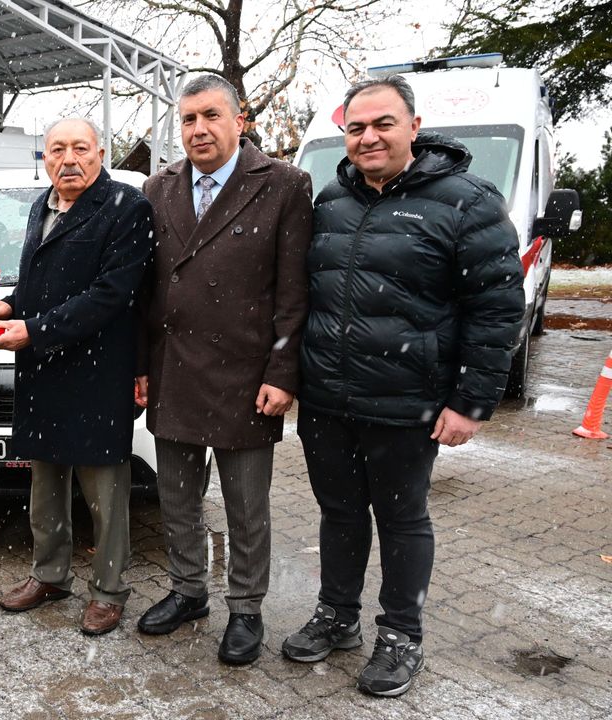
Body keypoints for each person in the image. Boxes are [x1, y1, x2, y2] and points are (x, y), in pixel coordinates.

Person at [284, 74, 524, 696]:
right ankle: (338, 615)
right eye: (357, 127)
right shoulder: (330, 200)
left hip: (407, 400)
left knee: (402, 520)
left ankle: (400, 634)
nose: (368, 137)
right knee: (339, 513)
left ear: (414, 128)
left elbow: (497, 309)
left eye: (383, 124)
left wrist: (472, 402)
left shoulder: (467, 202)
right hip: (327, 399)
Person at [135, 75, 312, 664]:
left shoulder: (283, 184)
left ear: (241, 120)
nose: (199, 129)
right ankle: (188, 591)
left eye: (211, 115)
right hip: (173, 369)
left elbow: (294, 291)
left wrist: (283, 372)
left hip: (246, 376)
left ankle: (246, 608)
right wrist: (141, 364)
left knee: (245, 507)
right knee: (177, 498)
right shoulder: (158, 187)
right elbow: (146, 288)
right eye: (188, 119)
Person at [0, 118, 154, 636]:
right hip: (43, 371)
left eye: (80, 148)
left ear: (100, 153)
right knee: (45, 485)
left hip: (96, 373)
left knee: (105, 492)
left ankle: (108, 591)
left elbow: (110, 295)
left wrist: (34, 330)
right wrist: (9, 305)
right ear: (45, 158)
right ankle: (50, 575)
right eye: (57, 150)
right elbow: (42, 282)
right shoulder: (42, 206)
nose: (69, 159)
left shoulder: (127, 208)